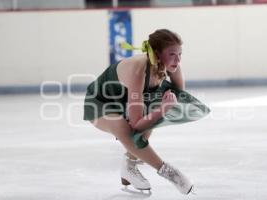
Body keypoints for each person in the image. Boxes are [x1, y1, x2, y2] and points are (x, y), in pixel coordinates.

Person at [84, 29, 210, 194]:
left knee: (152, 110)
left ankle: (129, 166)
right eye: (172, 54)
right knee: (127, 130)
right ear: (157, 53)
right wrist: (162, 108)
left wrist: (161, 109)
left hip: (129, 100)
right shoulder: (139, 70)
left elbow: (179, 96)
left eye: (180, 54)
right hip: (101, 101)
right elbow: (136, 124)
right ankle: (172, 174)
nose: (178, 60)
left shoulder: (173, 66)